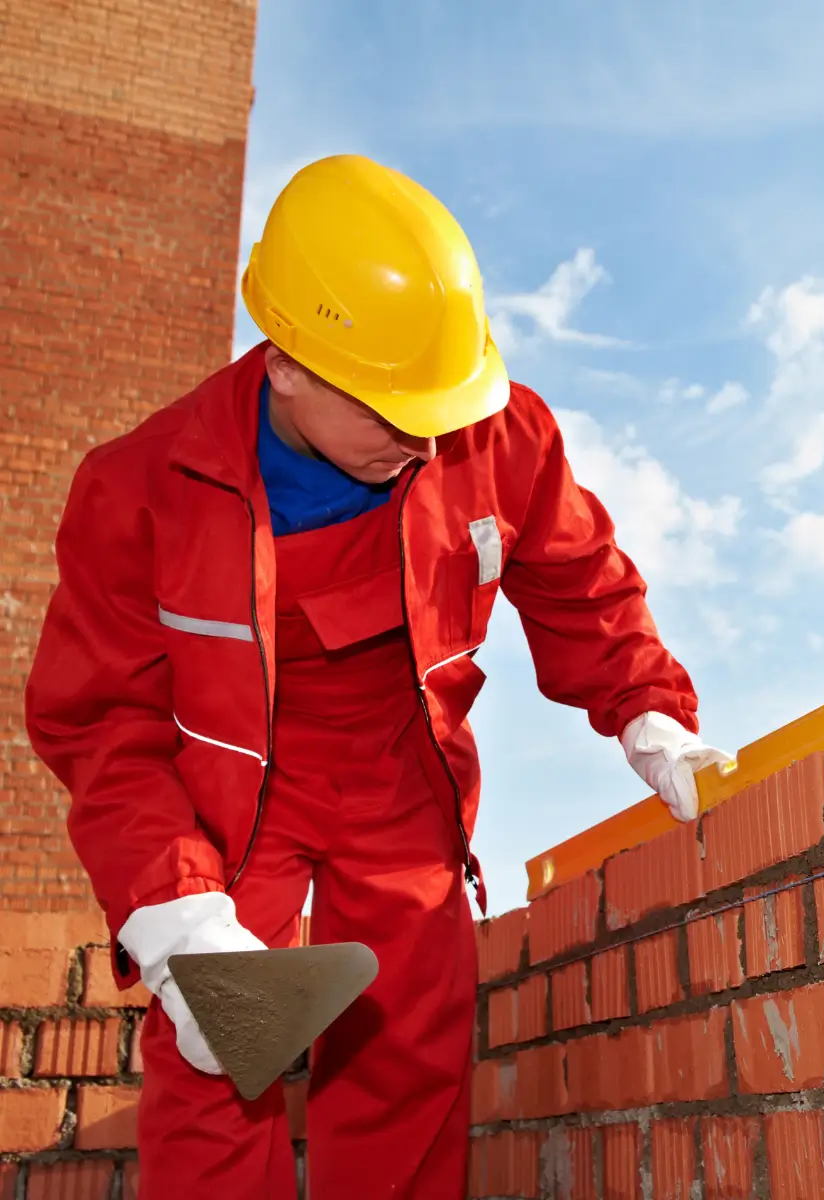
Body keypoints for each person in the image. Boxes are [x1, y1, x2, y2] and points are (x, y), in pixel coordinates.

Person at [24, 154, 731, 1200]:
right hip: (230, 802)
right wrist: (176, 916)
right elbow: (103, 728)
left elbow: (580, 582)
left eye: (435, 406)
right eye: (389, 408)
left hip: (401, 778)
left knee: (410, 1042)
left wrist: (649, 712)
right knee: (219, 1050)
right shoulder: (141, 490)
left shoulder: (495, 434)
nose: (422, 436)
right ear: (289, 364)